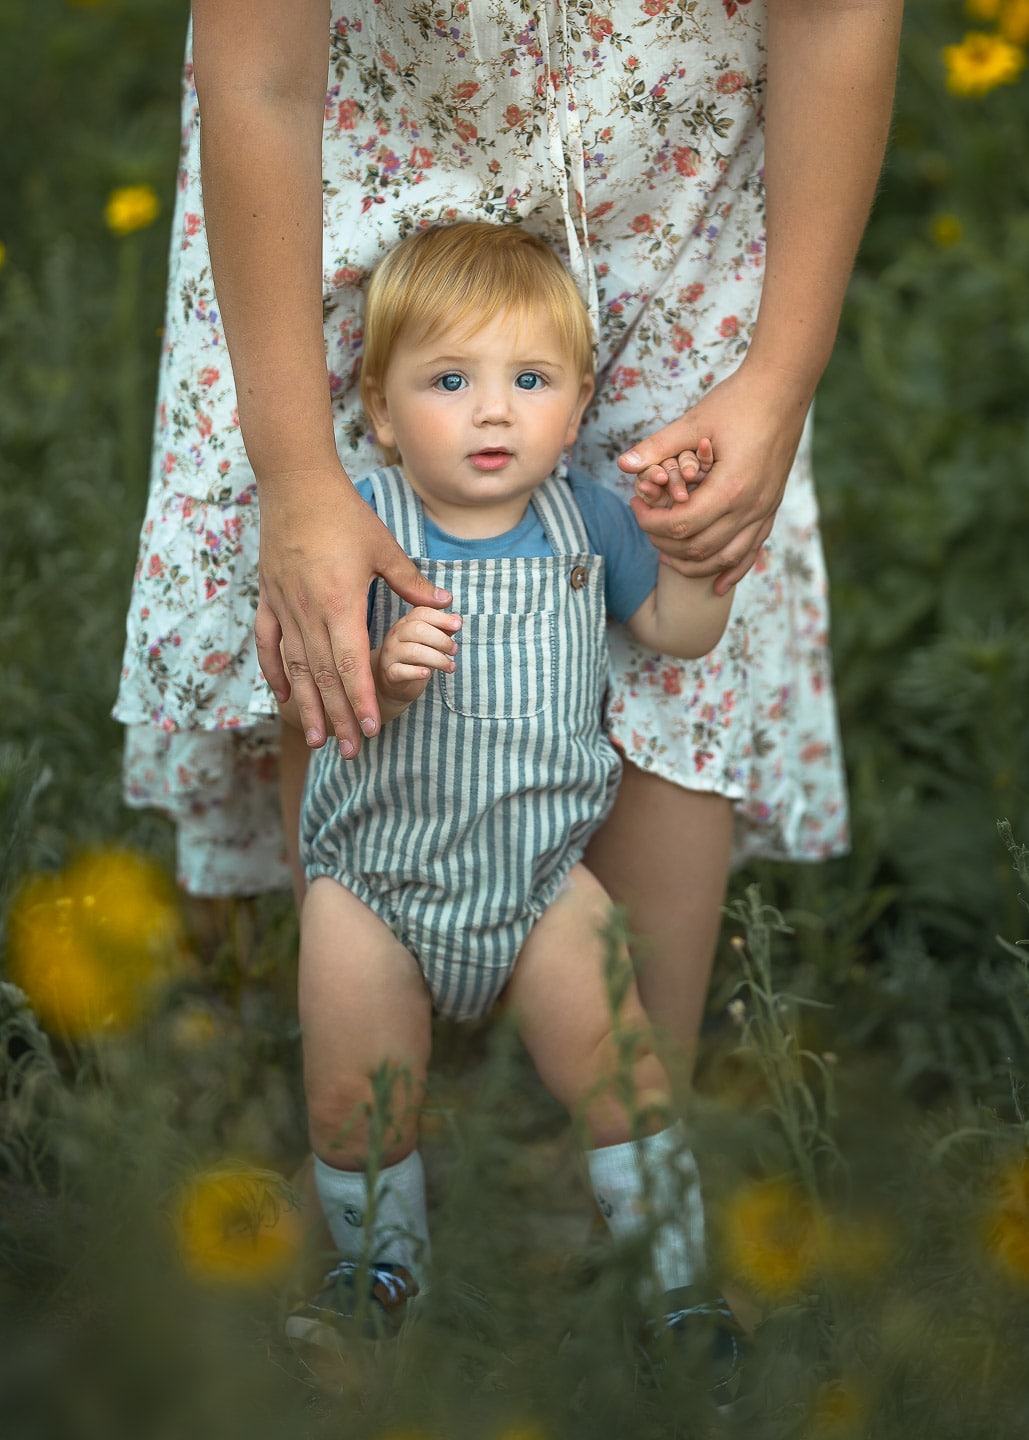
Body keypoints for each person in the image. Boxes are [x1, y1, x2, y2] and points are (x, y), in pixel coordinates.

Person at [115, 5, 902, 1065]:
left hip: (678, 153)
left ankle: (629, 1141)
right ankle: (369, 1125)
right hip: (374, 137)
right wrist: (298, 476)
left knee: (690, 512)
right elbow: (258, 75)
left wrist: (779, 375)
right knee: (336, 591)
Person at [279, 221, 738, 1372]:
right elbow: (300, 690)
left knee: (626, 1074)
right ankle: (380, 1274)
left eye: (528, 381)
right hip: (372, 887)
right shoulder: (358, 524)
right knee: (354, 1100)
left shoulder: (592, 522)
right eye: (451, 380)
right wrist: (379, 668)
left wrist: (699, 560)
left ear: (576, 409)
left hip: (542, 883)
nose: (494, 412)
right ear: (380, 409)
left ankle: (674, 1285)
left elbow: (679, 639)